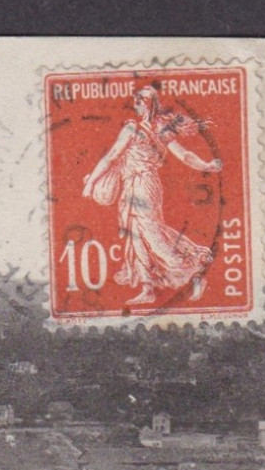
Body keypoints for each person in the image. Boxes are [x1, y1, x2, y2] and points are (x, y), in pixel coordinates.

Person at [81, 85, 223, 306]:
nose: (139, 103)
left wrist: (90, 182)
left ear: (151, 105)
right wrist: (206, 164)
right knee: (136, 234)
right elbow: (112, 157)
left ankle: (192, 272)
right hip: (134, 185)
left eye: (144, 100)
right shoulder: (145, 130)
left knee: (152, 234)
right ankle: (148, 288)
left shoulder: (146, 130)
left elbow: (112, 157)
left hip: (144, 184)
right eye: (138, 99)